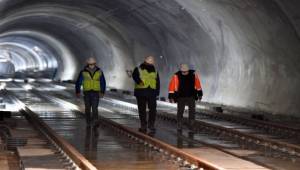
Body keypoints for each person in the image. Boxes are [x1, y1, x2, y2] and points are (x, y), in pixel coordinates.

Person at [168, 64, 203, 132]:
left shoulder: (193, 75)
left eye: (185, 71)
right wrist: (171, 96)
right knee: (180, 110)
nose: (184, 73)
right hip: (181, 96)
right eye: (183, 72)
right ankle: (179, 125)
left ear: (188, 70)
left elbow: (198, 84)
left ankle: (191, 125)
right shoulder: (176, 75)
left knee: (192, 111)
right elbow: (172, 86)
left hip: (191, 96)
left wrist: (200, 94)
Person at [132, 56, 160, 134]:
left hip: (151, 92)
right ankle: (143, 125)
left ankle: (151, 124)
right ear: (145, 62)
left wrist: (157, 92)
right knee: (142, 109)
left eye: (150, 63)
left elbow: (157, 81)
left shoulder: (155, 70)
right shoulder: (138, 69)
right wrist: (139, 81)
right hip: (141, 92)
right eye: (148, 63)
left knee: (153, 109)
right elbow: (134, 76)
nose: (149, 64)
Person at [75, 57, 106, 127]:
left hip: (95, 92)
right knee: (88, 108)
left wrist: (102, 91)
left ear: (95, 64)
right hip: (87, 92)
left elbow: (103, 82)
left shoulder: (99, 71)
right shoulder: (83, 72)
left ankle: (95, 121)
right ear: (88, 64)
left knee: (95, 108)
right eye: (90, 64)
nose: (91, 65)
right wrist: (78, 91)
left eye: (93, 64)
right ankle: (88, 121)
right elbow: (78, 82)